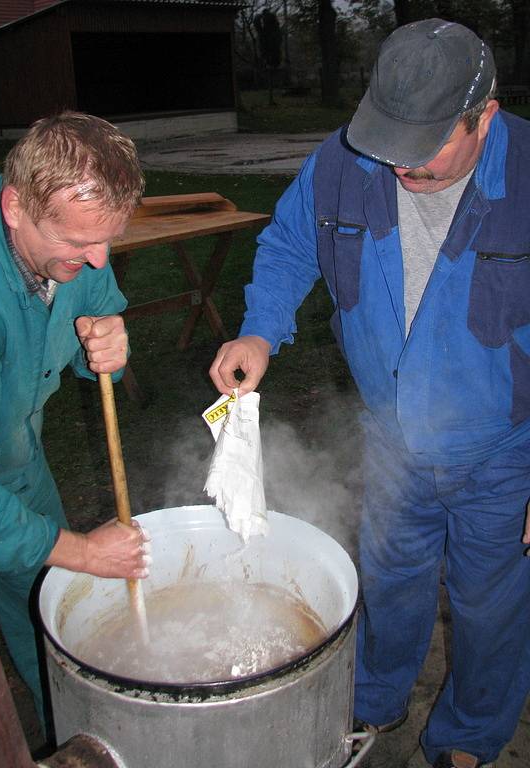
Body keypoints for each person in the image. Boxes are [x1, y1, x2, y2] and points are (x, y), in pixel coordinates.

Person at [209, 18, 530, 768]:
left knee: (490, 611)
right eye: (387, 144)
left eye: (422, 151)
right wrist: (259, 332)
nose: (395, 170)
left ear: (481, 116)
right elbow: (291, 243)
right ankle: (374, 702)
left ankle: (469, 738)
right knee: (388, 582)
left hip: (503, 450)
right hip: (389, 437)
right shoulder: (344, 162)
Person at [0, 111, 151, 726]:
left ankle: (69, 734)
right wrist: (86, 553)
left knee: (45, 615)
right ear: (15, 208)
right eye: (76, 245)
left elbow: (101, 306)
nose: (96, 260)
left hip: (19, 460)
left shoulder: (78, 235)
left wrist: (113, 344)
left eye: (107, 240)